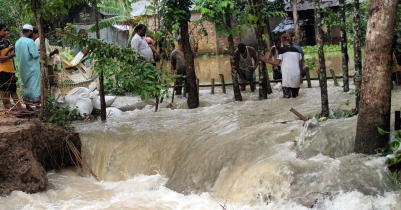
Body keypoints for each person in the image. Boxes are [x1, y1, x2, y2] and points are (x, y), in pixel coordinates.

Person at [260, 33, 303, 98]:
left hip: (287, 77)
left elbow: (277, 63)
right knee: (295, 97)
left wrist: (266, 60)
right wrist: (301, 76)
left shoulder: (281, 50)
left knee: (286, 99)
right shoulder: (297, 50)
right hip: (296, 77)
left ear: (282, 40)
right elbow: (300, 64)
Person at [15, 24, 41, 109]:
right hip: (32, 68)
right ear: (29, 32)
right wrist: (39, 52)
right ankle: (37, 105)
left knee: (25, 85)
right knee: (35, 86)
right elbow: (35, 55)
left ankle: (27, 105)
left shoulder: (18, 42)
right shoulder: (30, 42)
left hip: (22, 68)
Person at [0, 24, 23, 111]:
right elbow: (1, 60)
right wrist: (8, 51)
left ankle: (19, 107)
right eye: (3, 30)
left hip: (11, 68)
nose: (5, 32)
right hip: (2, 70)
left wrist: (6, 56)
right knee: (4, 89)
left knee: (13, 88)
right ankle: (6, 107)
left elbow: (13, 53)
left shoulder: (7, 41)